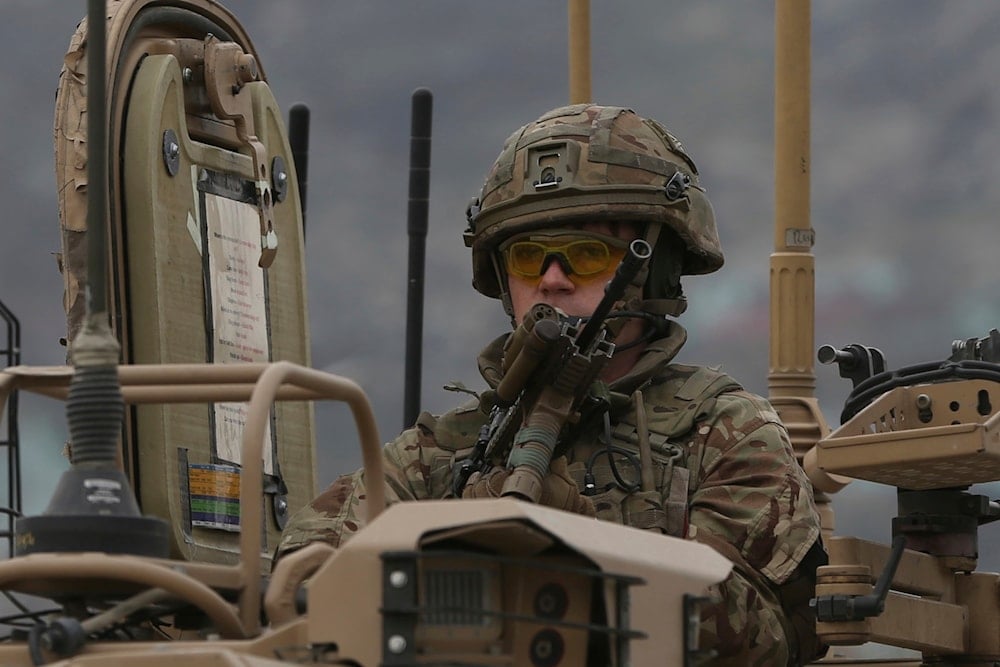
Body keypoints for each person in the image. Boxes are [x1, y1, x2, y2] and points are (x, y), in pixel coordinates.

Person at [277, 104, 826, 665]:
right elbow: (298, 589)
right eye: (528, 258)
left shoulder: (725, 432)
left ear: (653, 271)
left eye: (588, 256)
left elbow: (754, 636)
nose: (552, 280)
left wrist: (577, 544)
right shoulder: (436, 454)